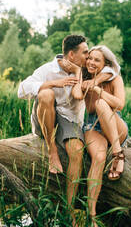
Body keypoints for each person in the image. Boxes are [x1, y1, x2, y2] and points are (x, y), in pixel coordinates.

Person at [17, 35, 117, 226]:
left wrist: (79, 71)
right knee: (46, 94)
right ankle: (52, 151)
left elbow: (111, 70)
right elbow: (21, 90)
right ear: (72, 54)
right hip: (44, 117)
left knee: (77, 152)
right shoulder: (48, 69)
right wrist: (54, 84)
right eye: (85, 52)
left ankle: (69, 212)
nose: (88, 57)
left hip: (69, 120)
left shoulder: (85, 69)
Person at [72, 45, 128, 226]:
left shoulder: (115, 78)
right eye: (90, 58)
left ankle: (118, 153)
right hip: (92, 126)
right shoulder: (85, 77)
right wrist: (89, 83)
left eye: (97, 60)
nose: (91, 62)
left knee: (103, 104)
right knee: (98, 156)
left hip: (115, 125)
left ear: (105, 64)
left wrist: (99, 91)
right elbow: (85, 106)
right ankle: (92, 215)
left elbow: (119, 105)